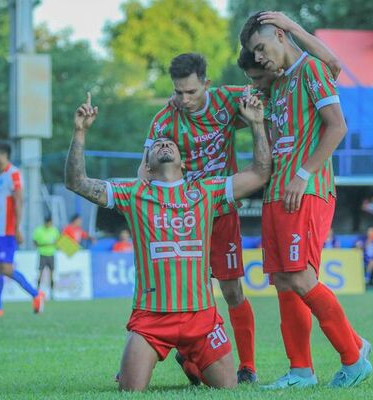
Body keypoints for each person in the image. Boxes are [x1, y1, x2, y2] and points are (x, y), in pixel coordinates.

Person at [65, 92, 270, 391]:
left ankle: (188, 358)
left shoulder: (206, 191)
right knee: (130, 392)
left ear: (184, 163)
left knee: (227, 390)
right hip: (151, 319)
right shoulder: (133, 194)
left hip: (202, 318)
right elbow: (76, 182)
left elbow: (260, 172)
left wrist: (256, 125)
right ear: (146, 166)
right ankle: (183, 355)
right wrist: (80, 132)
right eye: (158, 144)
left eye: (170, 143)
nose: (163, 143)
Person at [240, 12, 372, 389]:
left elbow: (338, 125)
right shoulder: (278, 85)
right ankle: (301, 370)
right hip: (278, 191)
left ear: (281, 36)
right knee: (283, 280)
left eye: (261, 48)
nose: (260, 57)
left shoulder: (311, 69)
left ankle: (353, 356)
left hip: (305, 190)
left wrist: (304, 173)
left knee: (300, 276)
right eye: (254, 53)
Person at [136, 53, 258, 384]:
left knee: (232, 291)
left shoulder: (230, 100)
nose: (184, 99)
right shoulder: (164, 119)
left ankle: (246, 367)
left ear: (206, 83)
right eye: (178, 92)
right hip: (182, 219)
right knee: (179, 294)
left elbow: (270, 102)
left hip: (220, 212)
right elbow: (143, 172)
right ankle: (182, 359)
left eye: (191, 91)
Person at [0, 140, 45, 317]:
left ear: (4, 155)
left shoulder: (14, 174)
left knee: (6, 269)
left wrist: (17, 228)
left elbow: (19, 201)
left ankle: (36, 294)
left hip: (7, 231)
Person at [33, 216, 61, 298]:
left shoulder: (54, 230)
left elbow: (58, 242)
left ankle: (52, 293)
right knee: (40, 274)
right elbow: (35, 243)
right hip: (42, 254)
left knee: (52, 275)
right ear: (46, 222)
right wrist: (45, 245)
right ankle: (36, 293)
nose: (50, 224)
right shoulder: (38, 230)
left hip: (51, 255)